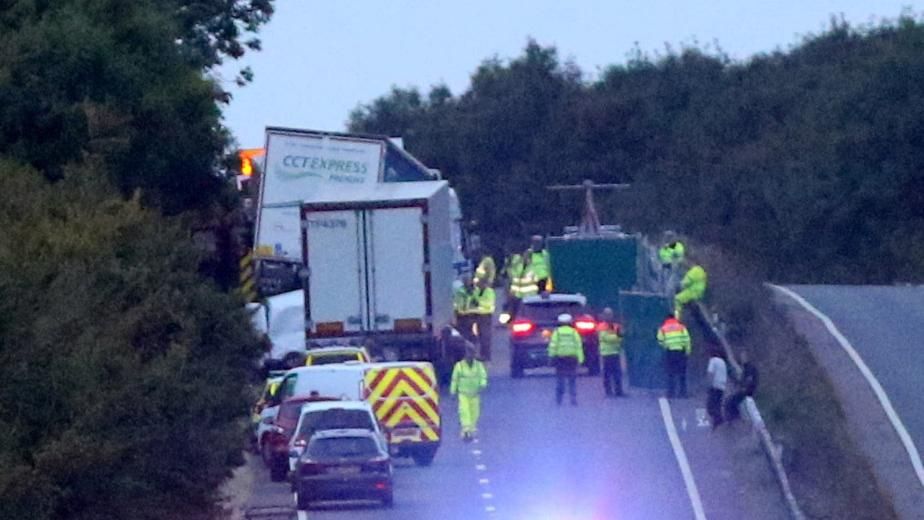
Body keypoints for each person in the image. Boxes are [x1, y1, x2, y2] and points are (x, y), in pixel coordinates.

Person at [450, 343, 488, 441]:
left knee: (475, 412)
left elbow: (483, 376)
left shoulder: (478, 365)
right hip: (463, 393)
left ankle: (472, 428)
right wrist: (453, 391)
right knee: (464, 410)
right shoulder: (459, 366)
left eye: (472, 353)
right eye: (468, 353)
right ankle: (466, 429)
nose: (470, 355)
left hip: (475, 393)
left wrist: (482, 384)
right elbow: (455, 379)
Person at [548, 313, 584, 406]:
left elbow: (553, 346)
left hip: (560, 359)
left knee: (560, 379)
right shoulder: (574, 332)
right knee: (572, 380)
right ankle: (573, 399)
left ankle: (559, 399)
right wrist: (580, 359)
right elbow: (578, 346)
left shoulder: (557, 332)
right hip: (572, 359)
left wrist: (551, 357)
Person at [657, 314, 691, 398]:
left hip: (670, 352)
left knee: (670, 373)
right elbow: (687, 339)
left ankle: (671, 393)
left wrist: (665, 346)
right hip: (681, 352)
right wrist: (687, 351)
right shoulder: (681, 327)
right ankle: (683, 393)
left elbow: (660, 339)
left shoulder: (663, 328)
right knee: (682, 373)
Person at [597, 307, 625, 397]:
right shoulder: (601, 326)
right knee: (607, 374)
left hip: (615, 352)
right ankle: (608, 392)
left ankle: (619, 391)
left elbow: (621, 336)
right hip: (606, 353)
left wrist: (619, 337)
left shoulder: (616, 326)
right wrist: (617, 338)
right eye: (607, 314)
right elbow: (606, 338)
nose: (609, 316)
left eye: (610, 314)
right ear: (604, 315)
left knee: (617, 373)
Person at [725, 350, 759, 422]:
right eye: (741, 357)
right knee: (730, 399)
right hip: (746, 390)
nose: (742, 358)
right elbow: (742, 380)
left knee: (731, 401)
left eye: (743, 357)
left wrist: (743, 387)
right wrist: (736, 381)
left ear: (747, 357)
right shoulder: (746, 368)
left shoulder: (749, 367)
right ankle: (735, 418)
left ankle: (735, 418)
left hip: (748, 391)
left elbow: (749, 380)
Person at [473, 277, 496, 361]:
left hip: (486, 315)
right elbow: (473, 299)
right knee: (480, 335)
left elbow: (488, 303)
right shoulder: (477, 291)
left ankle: (486, 355)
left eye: (480, 283)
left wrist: (478, 302)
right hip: (478, 315)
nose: (478, 285)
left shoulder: (489, 292)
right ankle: (482, 354)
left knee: (485, 336)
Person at [706, 346, 728, 430]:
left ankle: (719, 420)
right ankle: (717, 422)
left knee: (710, 406)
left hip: (715, 386)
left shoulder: (713, 361)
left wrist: (709, 385)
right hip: (722, 387)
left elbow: (710, 373)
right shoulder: (722, 362)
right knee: (717, 404)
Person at [454, 275, 477, 344]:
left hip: (470, 315)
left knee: (470, 332)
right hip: (462, 316)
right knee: (464, 333)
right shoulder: (461, 291)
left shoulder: (473, 291)